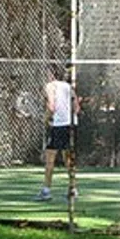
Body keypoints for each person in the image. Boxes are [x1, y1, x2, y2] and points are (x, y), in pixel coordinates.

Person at [36, 66, 78, 201]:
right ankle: (73, 189)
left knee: (50, 158)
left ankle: (46, 191)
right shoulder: (68, 86)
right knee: (68, 159)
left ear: (51, 74)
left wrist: (46, 119)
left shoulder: (50, 86)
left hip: (59, 126)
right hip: (72, 125)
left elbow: (51, 106)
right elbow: (76, 107)